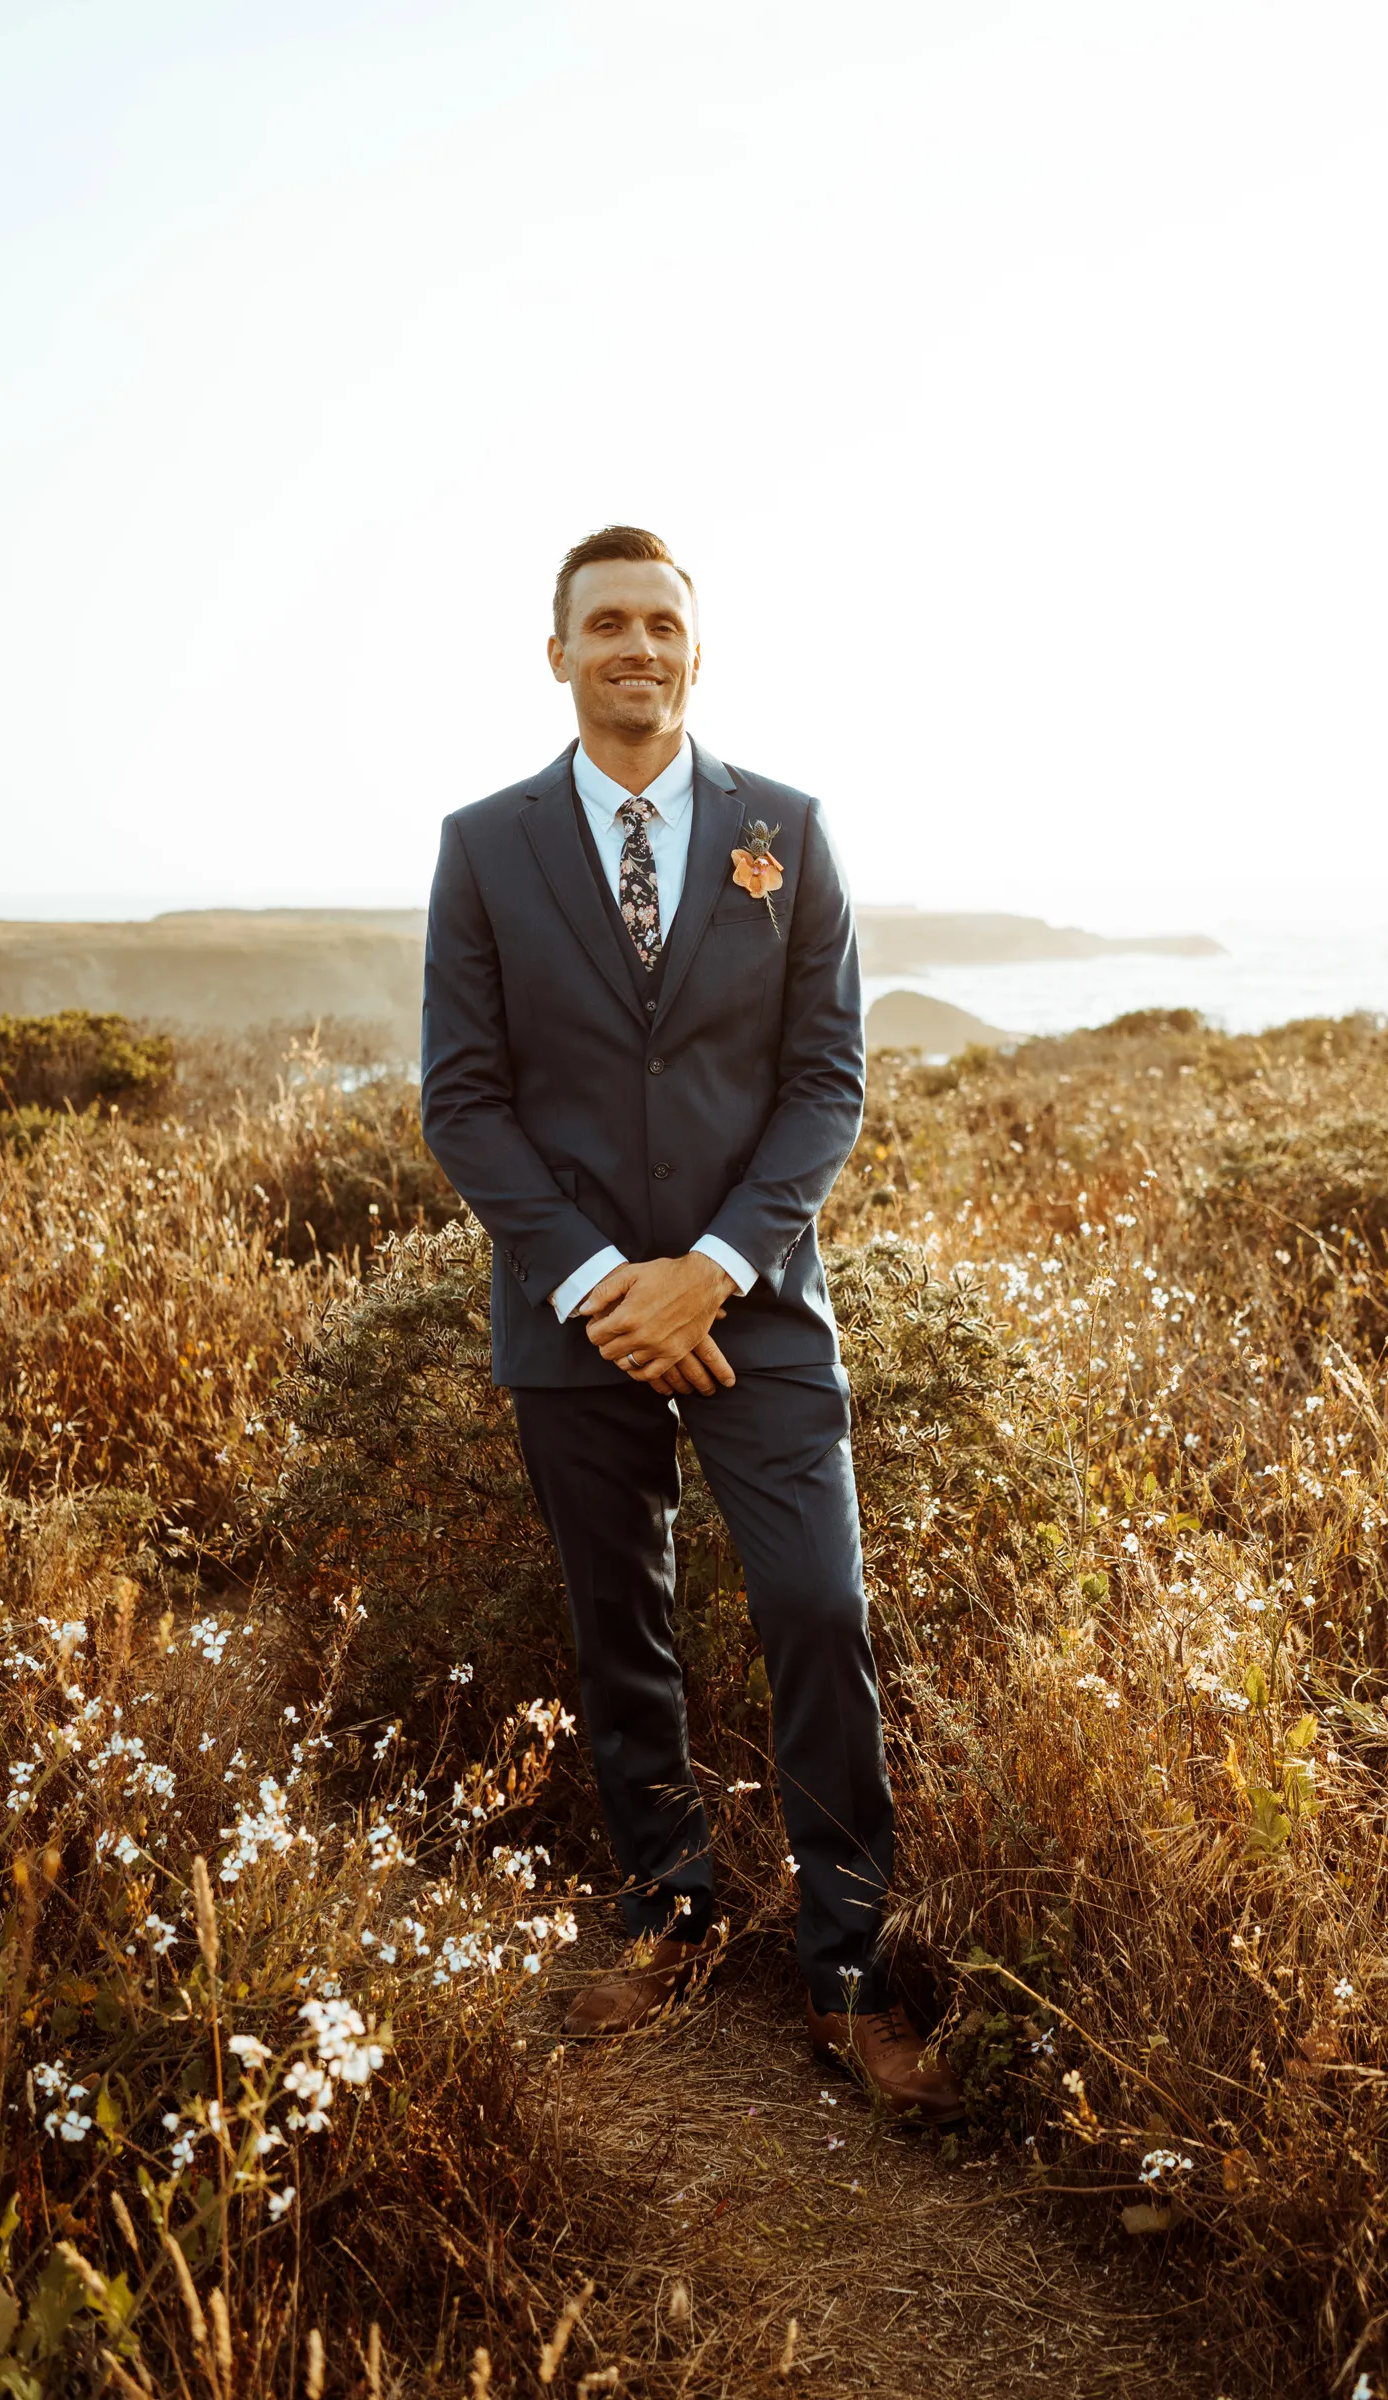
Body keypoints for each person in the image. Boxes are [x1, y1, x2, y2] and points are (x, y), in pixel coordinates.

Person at [420, 526, 961, 2122]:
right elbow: (464, 1097)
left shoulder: (785, 831)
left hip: (760, 1306)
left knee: (816, 1609)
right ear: (559, 653)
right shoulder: (484, 843)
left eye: (662, 623)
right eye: (606, 625)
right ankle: (667, 1909)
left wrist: (711, 1268)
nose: (635, 646)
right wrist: (602, 1285)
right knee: (619, 1628)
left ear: (696, 654)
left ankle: (846, 1965)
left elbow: (827, 1080)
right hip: (570, 1319)